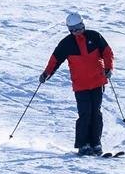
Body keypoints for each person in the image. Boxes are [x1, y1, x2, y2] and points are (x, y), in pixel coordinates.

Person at [39, 12, 114, 156]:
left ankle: (96, 144)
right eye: (73, 29)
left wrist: (108, 68)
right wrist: (46, 74)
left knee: (96, 113)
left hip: (97, 81)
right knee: (85, 113)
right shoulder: (66, 43)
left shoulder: (94, 36)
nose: (77, 31)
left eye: (79, 27)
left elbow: (107, 52)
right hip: (80, 85)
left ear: (83, 24)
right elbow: (55, 60)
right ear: (69, 29)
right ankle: (83, 145)